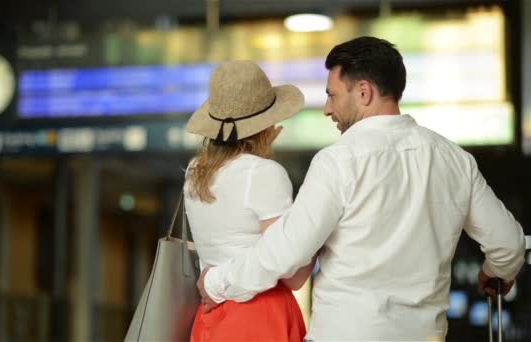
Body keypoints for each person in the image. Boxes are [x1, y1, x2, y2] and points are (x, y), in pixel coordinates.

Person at [197, 36, 527, 341]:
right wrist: (496, 272)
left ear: (364, 92)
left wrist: (215, 282)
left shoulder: (338, 161)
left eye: (332, 95)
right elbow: (509, 244)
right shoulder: (455, 160)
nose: (327, 108)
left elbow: (286, 253)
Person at [184, 60, 315, 341]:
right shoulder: (263, 173)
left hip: (211, 316)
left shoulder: (194, 173)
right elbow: (293, 274)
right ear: (266, 125)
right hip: (261, 318)